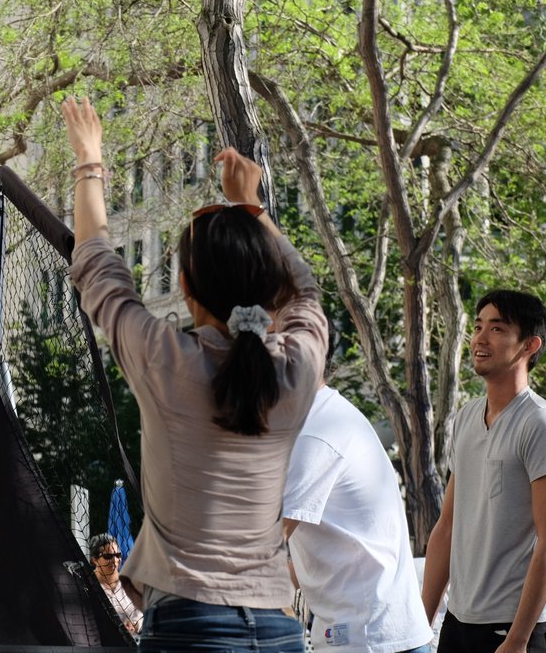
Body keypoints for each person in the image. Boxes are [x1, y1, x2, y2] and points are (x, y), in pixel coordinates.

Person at [62, 96, 328, 652]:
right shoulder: (297, 368)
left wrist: (90, 161)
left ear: (184, 290)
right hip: (279, 629)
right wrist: (252, 206)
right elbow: (303, 289)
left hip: (189, 628)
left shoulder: (167, 360)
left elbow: (95, 262)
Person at [421, 290, 546, 653]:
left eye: (496, 328)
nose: (479, 338)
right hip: (457, 624)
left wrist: (518, 640)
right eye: (478, 327)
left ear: (529, 345)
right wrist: (419, 623)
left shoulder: (536, 423)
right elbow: (446, 527)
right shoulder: (464, 418)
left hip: (510, 630)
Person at [282, 382, 433, 652]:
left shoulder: (316, 432)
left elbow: (258, 547)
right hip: (369, 633)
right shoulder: (325, 415)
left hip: (369, 639)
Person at [90, 533, 144, 635]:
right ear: (95, 560)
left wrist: (135, 625)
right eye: (108, 556)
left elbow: (143, 615)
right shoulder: (87, 585)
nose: (115, 561)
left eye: (117, 555)